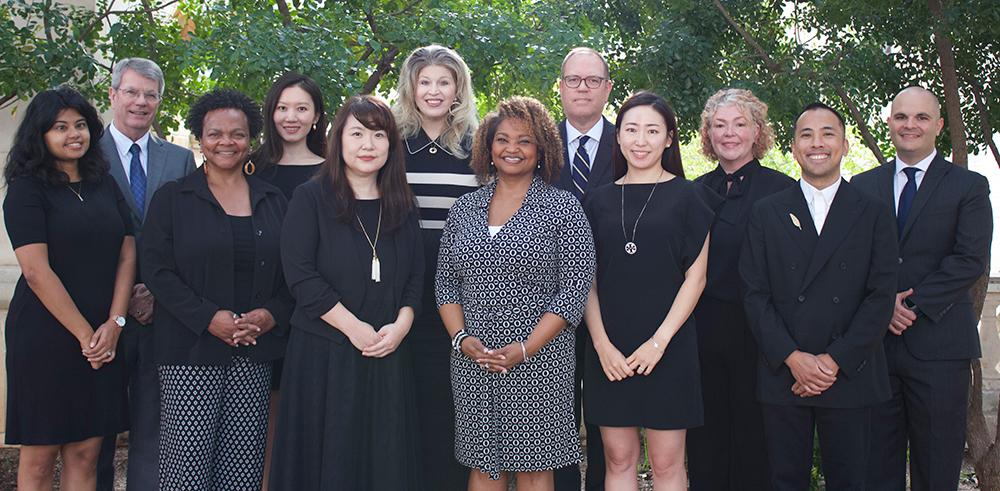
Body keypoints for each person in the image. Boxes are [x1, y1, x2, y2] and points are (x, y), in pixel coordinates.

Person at [436, 96, 596, 490]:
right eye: (502, 139)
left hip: (540, 362)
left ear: (542, 149)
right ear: (488, 147)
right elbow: (445, 283)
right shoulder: (465, 209)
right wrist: (461, 339)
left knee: (534, 468)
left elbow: (573, 289)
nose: (512, 149)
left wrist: (526, 348)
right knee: (483, 465)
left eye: (524, 141)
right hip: (474, 358)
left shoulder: (563, 208)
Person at [739, 103, 898, 490]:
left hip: (850, 372)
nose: (817, 143)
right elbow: (754, 293)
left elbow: (880, 296)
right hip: (784, 374)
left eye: (828, 134)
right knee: (783, 480)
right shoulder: (767, 211)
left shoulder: (874, 212)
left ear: (844, 145)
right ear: (793, 148)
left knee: (851, 480)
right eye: (806, 134)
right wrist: (794, 359)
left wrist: (833, 361)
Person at [271, 95, 425, 490]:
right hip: (324, 356)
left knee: (383, 462)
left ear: (391, 144)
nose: (367, 145)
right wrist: (353, 327)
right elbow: (300, 275)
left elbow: (415, 277)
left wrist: (402, 326)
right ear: (338, 140)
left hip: (387, 353)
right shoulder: (311, 197)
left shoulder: (403, 204)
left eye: (378, 135)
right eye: (357, 134)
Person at [141, 88, 292, 490]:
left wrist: (270, 315)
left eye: (237, 133)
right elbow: (157, 270)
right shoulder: (173, 198)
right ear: (200, 138)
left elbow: (294, 274)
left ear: (251, 139)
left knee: (241, 470)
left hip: (254, 351)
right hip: (189, 353)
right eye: (215, 133)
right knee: (186, 470)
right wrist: (209, 318)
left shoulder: (274, 200)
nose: (226, 142)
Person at [851, 87, 993, 491]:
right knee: (876, 468)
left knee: (937, 468)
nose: (909, 125)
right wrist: (882, 307)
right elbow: (850, 260)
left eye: (921, 118)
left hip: (940, 348)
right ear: (890, 122)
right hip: (874, 351)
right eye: (901, 117)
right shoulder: (861, 187)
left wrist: (909, 303)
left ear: (939, 126)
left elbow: (969, 260)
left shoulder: (969, 186)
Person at [581, 91, 715, 490]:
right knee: (617, 459)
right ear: (617, 138)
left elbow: (697, 278)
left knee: (667, 464)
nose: (641, 140)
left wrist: (659, 342)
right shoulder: (596, 200)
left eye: (652, 131)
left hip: (669, 347)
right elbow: (584, 280)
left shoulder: (691, 197)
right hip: (610, 350)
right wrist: (602, 345)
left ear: (669, 138)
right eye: (632, 130)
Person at [3, 85, 134, 490]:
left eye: (80, 125)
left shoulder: (104, 183)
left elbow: (128, 252)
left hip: (104, 333)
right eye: (59, 127)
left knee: (86, 453)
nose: (73, 134)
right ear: (40, 134)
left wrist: (114, 323)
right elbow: (36, 271)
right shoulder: (26, 189)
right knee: (40, 459)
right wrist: (86, 337)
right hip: (46, 337)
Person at [96, 57, 197, 491]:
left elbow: (191, 237)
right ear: (113, 95)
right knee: (93, 435)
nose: (141, 102)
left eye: (150, 95)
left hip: (161, 314)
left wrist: (156, 292)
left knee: (153, 433)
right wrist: (120, 301)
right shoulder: (84, 154)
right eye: (132, 92)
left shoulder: (180, 159)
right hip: (97, 315)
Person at [686, 88, 795, 491]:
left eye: (739, 124)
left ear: (756, 132)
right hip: (701, 336)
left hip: (761, 337)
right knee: (706, 445)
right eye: (719, 125)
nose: (728, 133)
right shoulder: (693, 192)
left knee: (756, 445)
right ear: (708, 134)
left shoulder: (784, 191)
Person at [392, 44, 480, 490]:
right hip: (399, 287)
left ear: (458, 89)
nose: (433, 90)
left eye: (443, 82)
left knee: (450, 398)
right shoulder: (391, 143)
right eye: (424, 81)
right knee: (405, 395)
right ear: (410, 87)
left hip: (459, 289)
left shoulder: (475, 146)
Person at [250, 70, 329, 488]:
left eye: (301, 108)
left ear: (317, 116)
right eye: (282, 108)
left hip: (313, 313)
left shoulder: (333, 171)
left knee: (299, 426)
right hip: (256, 311)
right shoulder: (250, 167)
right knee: (257, 429)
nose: (291, 117)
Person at [553, 46, 615, 491]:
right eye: (574, 80)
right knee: (553, 416)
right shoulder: (535, 145)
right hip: (544, 302)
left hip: (614, 302)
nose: (582, 88)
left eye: (592, 80)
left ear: (608, 89)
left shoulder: (631, 141)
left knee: (605, 414)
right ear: (560, 87)